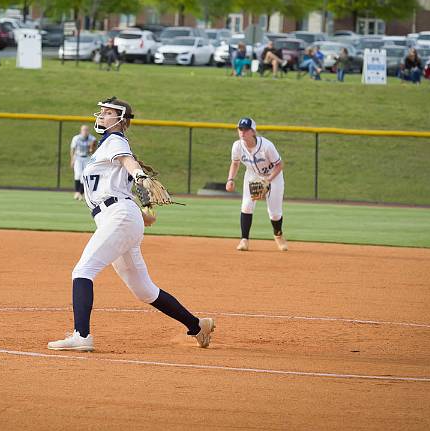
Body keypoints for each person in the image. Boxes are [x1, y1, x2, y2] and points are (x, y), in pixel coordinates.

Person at [48, 97, 216, 352]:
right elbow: (123, 178)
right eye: (101, 111)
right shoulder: (106, 147)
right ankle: (197, 325)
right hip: (120, 217)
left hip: (118, 216)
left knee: (83, 271)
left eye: (107, 112)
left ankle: (82, 336)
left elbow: (130, 164)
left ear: (119, 119)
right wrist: (144, 213)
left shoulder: (116, 141)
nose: (101, 115)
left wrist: (139, 174)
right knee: (144, 291)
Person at [225, 117, 288, 252]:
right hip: (253, 175)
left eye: (246, 129)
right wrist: (230, 179)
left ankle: (278, 235)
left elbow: (279, 165)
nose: (242, 132)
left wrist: (268, 180)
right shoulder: (237, 146)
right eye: (240, 129)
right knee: (246, 206)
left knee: (275, 213)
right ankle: (244, 240)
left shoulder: (266, 146)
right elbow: (235, 163)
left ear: (253, 131)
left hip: (273, 176)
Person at [69, 125, 97, 200]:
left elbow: (94, 150)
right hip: (78, 157)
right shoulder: (76, 138)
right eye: (84, 130)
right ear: (81, 131)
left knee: (84, 175)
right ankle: (77, 192)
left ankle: (80, 193)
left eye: (86, 130)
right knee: (78, 174)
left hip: (87, 158)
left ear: (88, 131)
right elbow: (72, 149)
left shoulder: (92, 138)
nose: (85, 131)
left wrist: (91, 149)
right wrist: (72, 159)